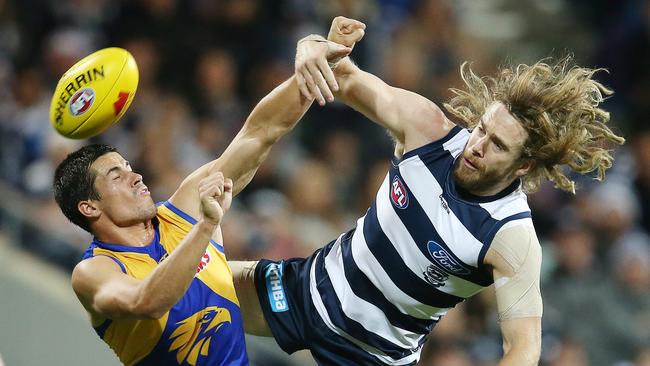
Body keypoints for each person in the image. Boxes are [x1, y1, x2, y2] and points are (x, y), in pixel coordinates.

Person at [230, 16, 626, 366]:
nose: (478, 146)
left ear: (523, 166)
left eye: (498, 146)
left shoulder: (511, 236)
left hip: (373, 357)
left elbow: (523, 349)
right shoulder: (428, 131)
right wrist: (313, 46)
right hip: (307, 290)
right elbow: (343, 76)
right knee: (181, 288)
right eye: (482, 129)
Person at [52, 42, 353, 366]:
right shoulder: (94, 270)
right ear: (89, 207)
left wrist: (315, 68)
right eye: (117, 176)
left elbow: (260, 132)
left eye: (129, 167)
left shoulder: (183, 208)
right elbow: (146, 301)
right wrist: (206, 227)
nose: (136, 176)